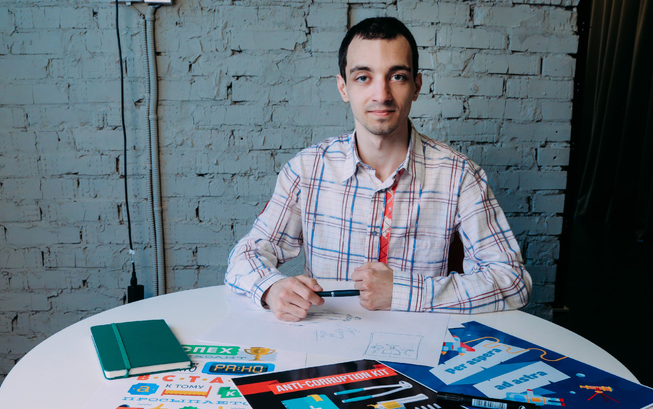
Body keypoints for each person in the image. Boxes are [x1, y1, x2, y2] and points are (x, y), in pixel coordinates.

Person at [225, 17, 531, 322]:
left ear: (416, 86)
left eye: (397, 76)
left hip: (419, 342)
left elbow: (512, 281)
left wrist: (402, 292)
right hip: (326, 339)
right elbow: (245, 256)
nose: (381, 95)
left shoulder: (460, 176)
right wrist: (271, 288)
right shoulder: (307, 170)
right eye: (363, 77)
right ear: (343, 87)